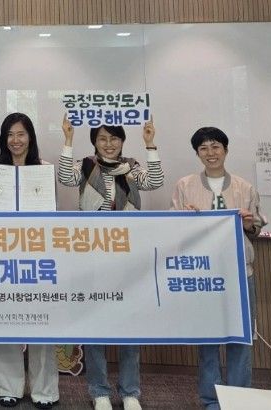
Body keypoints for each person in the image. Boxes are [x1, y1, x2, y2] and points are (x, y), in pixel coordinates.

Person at [58, 115, 163, 410]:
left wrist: (150, 144)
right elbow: (65, 178)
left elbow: (155, 181)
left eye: (114, 138)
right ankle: (99, 391)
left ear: (122, 141)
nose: (108, 144)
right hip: (93, 256)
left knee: (129, 324)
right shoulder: (86, 166)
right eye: (102, 139)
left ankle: (130, 392)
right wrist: (68, 140)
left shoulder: (132, 168)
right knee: (95, 324)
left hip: (128, 255)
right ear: (95, 142)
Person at [170, 127, 265, 410]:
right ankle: (211, 399)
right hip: (204, 274)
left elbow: (256, 226)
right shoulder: (185, 185)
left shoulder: (244, 187)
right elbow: (172, 225)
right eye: (203, 148)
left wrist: (248, 223)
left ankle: (239, 398)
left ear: (225, 150)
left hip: (239, 272)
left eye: (215, 147)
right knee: (208, 338)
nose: (210, 153)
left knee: (241, 338)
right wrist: (184, 218)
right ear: (197, 153)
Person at [0, 113, 59, 409]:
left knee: (42, 321)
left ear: (31, 137)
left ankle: (45, 390)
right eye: (10, 134)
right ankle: (6, 386)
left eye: (21, 134)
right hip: (3, 255)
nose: (15, 140)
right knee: (3, 318)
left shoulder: (44, 169)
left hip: (37, 255)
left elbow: (52, 212)